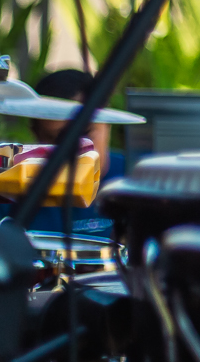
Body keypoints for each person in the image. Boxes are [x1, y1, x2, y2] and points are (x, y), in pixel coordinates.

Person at [18, 68, 126, 237]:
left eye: (86, 133)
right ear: (36, 135)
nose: (75, 148)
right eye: (57, 139)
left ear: (108, 123)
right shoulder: (13, 191)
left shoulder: (138, 180)